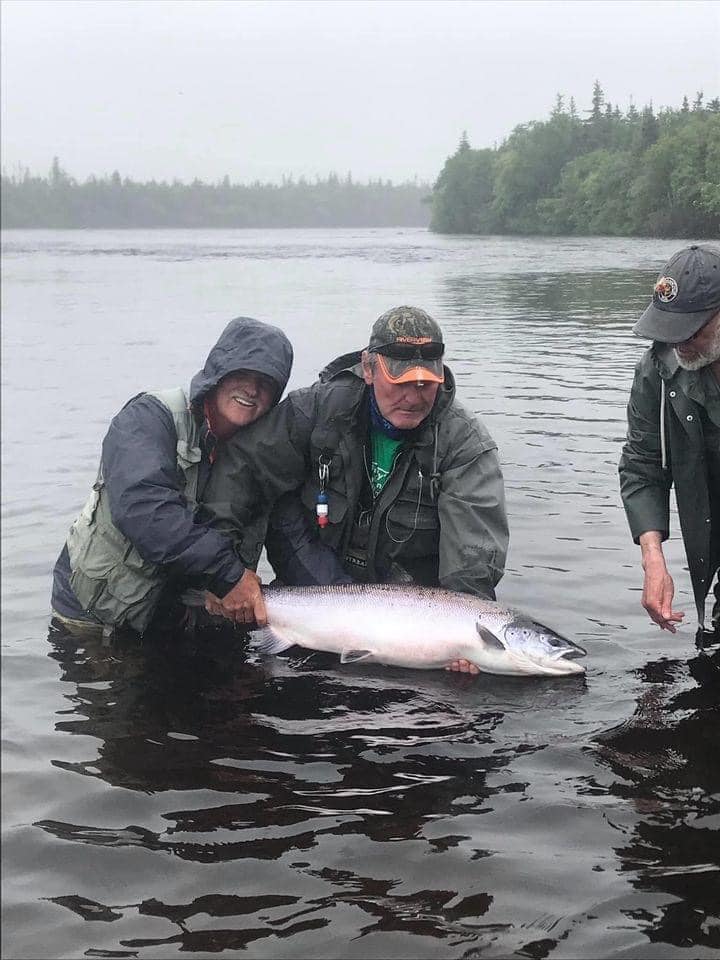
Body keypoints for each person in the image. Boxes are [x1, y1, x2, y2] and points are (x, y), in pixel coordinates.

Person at [204, 305, 509, 672]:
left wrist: (467, 632)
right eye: (400, 383)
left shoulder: (465, 445)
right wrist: (222, 571)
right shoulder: (317, 410)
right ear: (368, 368)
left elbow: (473, 555)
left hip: (408, 618)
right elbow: (242, 471)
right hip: (312, 583)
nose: (413, 397)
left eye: (425, 383)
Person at [51, 316, 293, 637]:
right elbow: (145, 511)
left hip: (172, 617)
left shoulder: (262, 456)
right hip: (93, 617)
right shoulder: (148, 419)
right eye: (242, 374)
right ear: (217, 373)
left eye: (266, 383)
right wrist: (229, 575)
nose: (252, 389)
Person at [619, 244, 720, 641]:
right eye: (668, 328)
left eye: (691, 330)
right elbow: (642, 465)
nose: (678, 344)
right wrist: (653, 558)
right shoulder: (657, 373)